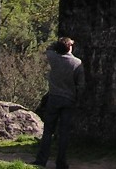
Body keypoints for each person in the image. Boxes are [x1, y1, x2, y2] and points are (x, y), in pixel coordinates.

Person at [33, 37, 85, 169]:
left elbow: (49, 48)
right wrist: (77, 98)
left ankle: (41, 159)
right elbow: (81, 85)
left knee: (48, 131)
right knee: (64, 133)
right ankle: (61, 162)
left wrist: (60, 43)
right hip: (68, 99)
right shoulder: (77, 63)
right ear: (70, 47)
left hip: (54, 97)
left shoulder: (54, 59)